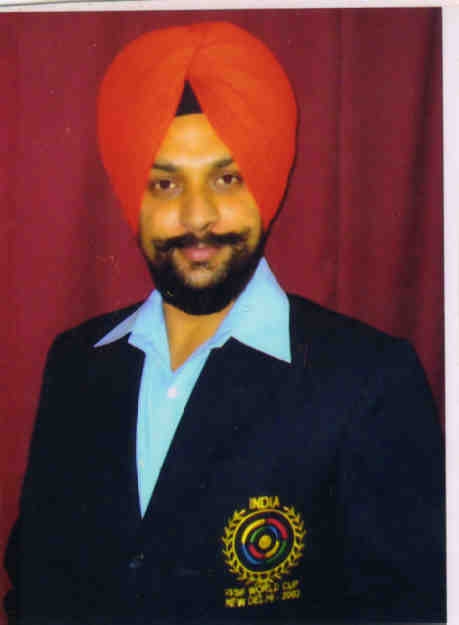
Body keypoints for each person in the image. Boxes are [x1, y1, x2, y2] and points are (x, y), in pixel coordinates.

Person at [4, 21, 445, 625]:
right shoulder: (76, 361)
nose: (197, 216)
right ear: (133, 199)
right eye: (165, 183)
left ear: (266, 185)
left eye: (227, 178)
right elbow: (35, 586)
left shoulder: (368, 380)